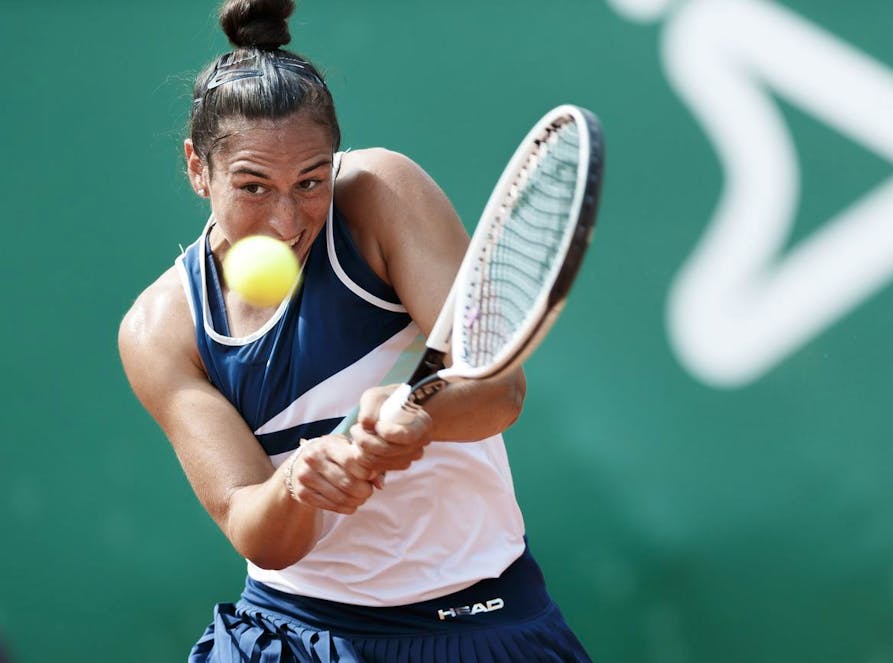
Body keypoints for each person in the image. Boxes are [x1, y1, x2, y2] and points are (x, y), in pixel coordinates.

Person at [118, 1, 593, 661]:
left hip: (481, 624)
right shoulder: (161, 327)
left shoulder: (380, 195)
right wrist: (300, 481)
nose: (286, 221)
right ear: (198, 168)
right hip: (293, 636)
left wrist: (416, 413)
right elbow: (256, 531)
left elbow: (498, 391)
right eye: (253, 187)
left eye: (310, 181)